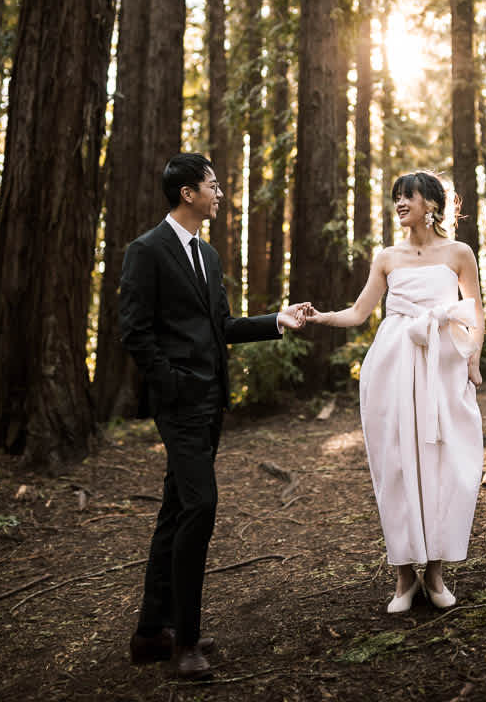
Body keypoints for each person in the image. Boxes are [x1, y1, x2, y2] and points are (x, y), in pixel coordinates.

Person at [119, 152, 307, 681]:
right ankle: (186, 644)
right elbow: (134, 331)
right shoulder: (146, 251)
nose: (220, 193)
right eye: (213, 184)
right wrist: (173, 385)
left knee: (177, 509)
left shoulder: (209, 255)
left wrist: (277, 320)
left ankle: (150, 634)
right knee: (201, 508)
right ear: (187, 193)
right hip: (179, 404)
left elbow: (219, 324)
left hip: (211, 402)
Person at [306, 170, 484, 614]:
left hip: (442, 363)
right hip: (393, 363)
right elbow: (360, 311)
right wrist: (322, 317)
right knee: (397, 464)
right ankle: (404, 577)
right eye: (397, 197)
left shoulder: (459, 253)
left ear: (432, 203)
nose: (401, 203)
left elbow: (474, 312)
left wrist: (473, 362)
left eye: (409, 196)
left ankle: (437, 573)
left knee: (446, 462)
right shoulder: (386, 257)